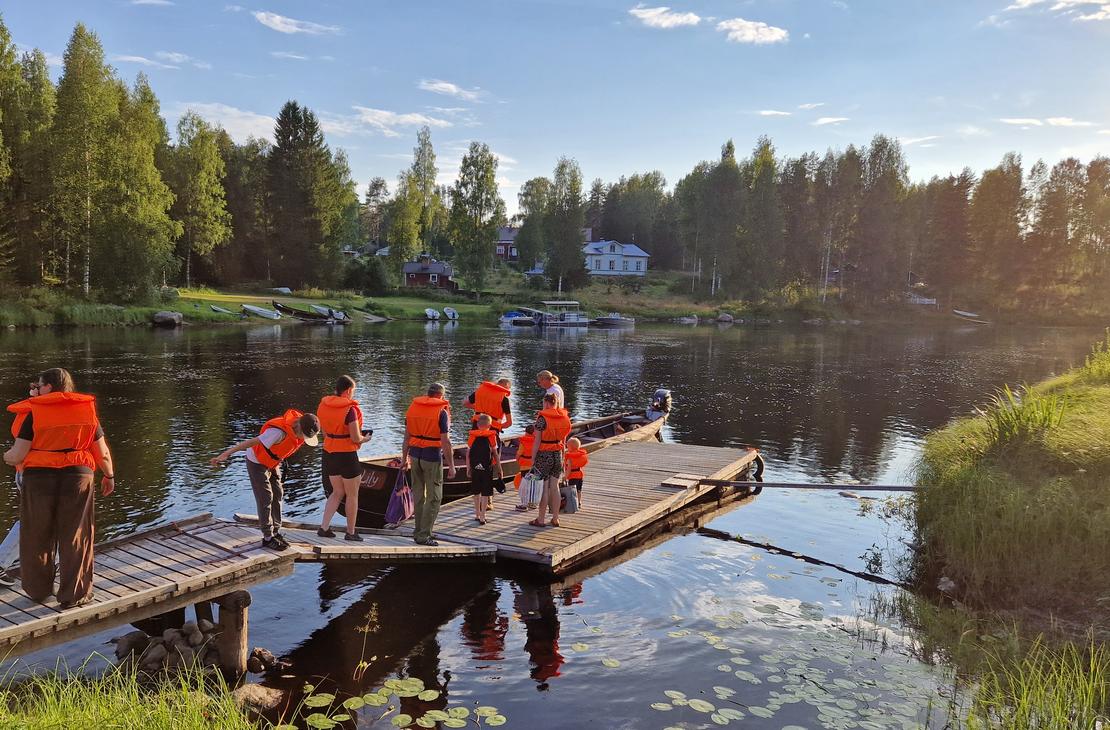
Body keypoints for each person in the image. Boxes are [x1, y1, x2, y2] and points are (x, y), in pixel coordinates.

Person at [3, 368, 115, 607]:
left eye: (40, 385)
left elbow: (18, 454)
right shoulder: (86, 410)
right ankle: (74, 595)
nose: (37, 389)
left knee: (36, 534)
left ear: (50, 387)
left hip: (39, 479)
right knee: (76, 535)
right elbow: (102, 453)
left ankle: (38, 590)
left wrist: (7, 457)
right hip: (77, 477)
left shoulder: (35, 411)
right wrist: (109, 475)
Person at [210, 409, 320, 551]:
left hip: (272, 462)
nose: (304, 439)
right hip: (256, 461)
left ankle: (276, 532)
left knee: (278, 493)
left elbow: (281, 450)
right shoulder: (277, 433)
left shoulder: (298, 430)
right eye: (304, 435)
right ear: (298, 426)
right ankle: (268, 538)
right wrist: (225, 454)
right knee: (265, 497)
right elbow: (249, 443)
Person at [317, 375, 373, 542]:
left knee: (337, 491)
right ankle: (350, 532)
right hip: (347, 456)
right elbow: (355, 438)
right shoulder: (350, 410)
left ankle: (324, 527)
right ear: (348, 390)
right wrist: (366, 438)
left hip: (329, 454)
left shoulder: (323, 405)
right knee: (352, 494)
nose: (353, 394)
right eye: (353, 391)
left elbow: (324, 432)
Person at [402, 383, 456, 546]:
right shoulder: (441, 411)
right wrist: (451, 465)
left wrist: (404, 459)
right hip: (431, 457)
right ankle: (424, 535)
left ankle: (417, 531)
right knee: (434, 497)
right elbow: (445, 442)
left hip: (415, 455)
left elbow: (406, 437)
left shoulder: (413, 408)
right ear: (441, 395)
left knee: (418, 495)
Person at [462, 378, 512, 511]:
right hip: (491, 431)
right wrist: (498, 426)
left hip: (476, 428)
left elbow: (465, 403)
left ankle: (477, 495)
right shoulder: (504, 398)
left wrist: (479, 410)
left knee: (474, 458)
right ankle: (488, 500)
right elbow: (509, 422)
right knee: (490, 462)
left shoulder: (480, 391)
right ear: (505, 388)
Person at [527, 393, 571, 528]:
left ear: (546, 403)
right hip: (557, 454)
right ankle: (555, 518)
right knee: (555, 487)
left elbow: (537, 441)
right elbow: (564, 440)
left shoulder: (542, 419)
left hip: (543, 455)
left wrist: (533, 458)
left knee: (544, 488)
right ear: (556, 403)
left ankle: (540, 519)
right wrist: (563, 456)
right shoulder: (564, 417)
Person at [467, 414, 502, 525]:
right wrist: (499, 468)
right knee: (485, 492)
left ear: (477, 425)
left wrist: (468, 468)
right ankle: (483, 516)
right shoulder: (491, 436)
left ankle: (477, 514)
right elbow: (495, 454)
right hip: (487, 468)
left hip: (475, 468)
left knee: (476, 492)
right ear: (490, 426)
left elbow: (468, 454)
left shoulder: (472, 436)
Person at [563, 437, 589, 508]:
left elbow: (568, 469)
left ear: (570, 448)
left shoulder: (569, 458)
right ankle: (579, 502)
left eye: (567, 447)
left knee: (572, 490)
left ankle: (573, 503)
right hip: (580, 474)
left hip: (573, 476)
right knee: (579, 489)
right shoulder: (580, 455)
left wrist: (565, 477)